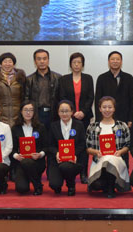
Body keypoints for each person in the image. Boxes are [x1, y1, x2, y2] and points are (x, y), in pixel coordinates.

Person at [86, 96, 131, 198]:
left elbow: (128, 145)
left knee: (109, 159)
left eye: (110, 107)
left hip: (117, 159)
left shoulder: (122, 126)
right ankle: (109, 183)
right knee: (96, 185)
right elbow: (88, 148)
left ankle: (110, 188)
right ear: (100, 109)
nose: (107, 110)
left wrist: (120, 152)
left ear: (114, 108)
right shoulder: (92, 127)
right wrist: (96, 152)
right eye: (104, 107)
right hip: (99, 160)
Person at [59, 52, 93, 183]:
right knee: (70, 143)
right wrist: (72, 112)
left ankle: (83, 173)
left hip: (84, 117)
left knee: (83, 145)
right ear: (70, 64)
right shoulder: (64, 79)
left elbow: (90, 97)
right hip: (68, 116)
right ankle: (69, 170)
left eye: (79, 62)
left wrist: (83, 112)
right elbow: (62, 97)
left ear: (82, 64)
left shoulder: (88, 78)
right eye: (74, 62)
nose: (77, 65)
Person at [47, 100, 86, 196]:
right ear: (58, 112)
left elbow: (82, 144)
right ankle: (59, 181)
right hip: (57, 160)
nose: (64, 114)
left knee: (66, 167)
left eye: (67, 111)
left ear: (72, 112)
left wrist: (74, 154)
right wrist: (57, 153)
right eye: (62, 111)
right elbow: (50, 145)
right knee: (54, 185)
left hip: (74, 160)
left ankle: (71, 184)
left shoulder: (79, 125)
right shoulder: (53, 126)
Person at [11, 101, 47, 195]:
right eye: (25, 110)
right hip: (21, 162)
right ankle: (31, 178)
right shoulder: (15, 128)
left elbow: (46, 147)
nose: (28, 112)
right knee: (21, 189)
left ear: (34, 112)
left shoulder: (40, 127)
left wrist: (40, 154)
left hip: (37, 162)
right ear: (21, 112)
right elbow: (12, 148)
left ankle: (37, 185)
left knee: (28, 162)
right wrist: (16, 156)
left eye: (31, 110)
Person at [95, 51, 133, 125]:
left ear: (121, 62)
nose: (115, 61)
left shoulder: (129, 78)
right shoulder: (102, 78)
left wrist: (131, 119)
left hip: (124, 117)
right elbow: (98, 100)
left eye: (117, 59)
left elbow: (132, 100)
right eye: (112, 59)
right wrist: (98, 119)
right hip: (106, 117)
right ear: (108, 62)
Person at [25, 49, 61, 129]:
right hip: (36, 114)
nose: (42, 61)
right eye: (39, 59)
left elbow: (61, 98)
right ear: (35, 61)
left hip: (53, 113)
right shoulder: (29, 79)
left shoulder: (58, 78)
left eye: (44, 59)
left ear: (48, 60)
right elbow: (26, 99)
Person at [0, 52, 26, 126]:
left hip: (17, 116)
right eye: (5, 62)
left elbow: (24, 97)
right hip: (1, 116)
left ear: (13, 64)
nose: (7, 64)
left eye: (10, 62)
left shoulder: (20, 77)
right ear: (1, 64)